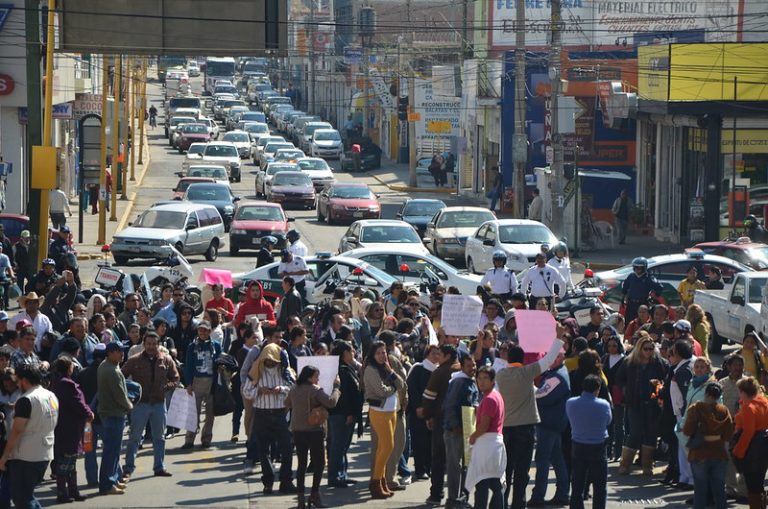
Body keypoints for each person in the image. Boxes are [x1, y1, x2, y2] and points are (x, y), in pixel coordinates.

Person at [495, 334, 564, 509]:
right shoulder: (527, 372)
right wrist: (558, 337)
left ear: (508, 358)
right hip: (525, 428)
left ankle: (502, 502)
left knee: (506, 469)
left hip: (506, 428)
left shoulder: (500, 375)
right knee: (522, 470)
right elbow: (549, 359)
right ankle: (519, 503)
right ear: (523, 358)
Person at [0, 364, 59, 508]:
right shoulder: (50, 395)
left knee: (21, 498)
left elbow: (17, 431)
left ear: (24, 380)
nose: (16, 384)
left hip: (26, 456)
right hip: (45, 452)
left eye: (17, 380)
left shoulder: (26, 399)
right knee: (26, 496)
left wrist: (5, 456)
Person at [122, 332, 179, 478]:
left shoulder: (166, 360)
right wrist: (130, 394)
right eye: (149, 344)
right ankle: (128, 468)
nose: (151, 347)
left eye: (154, 344)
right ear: (144, 344)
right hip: (140, 405)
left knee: (159, 437)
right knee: (135, 437)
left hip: (159, 404)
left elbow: (176, 378)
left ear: (158, 345)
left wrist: (167, 386)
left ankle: (159, 467)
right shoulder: (134, 360)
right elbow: (121, 377)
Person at [285, 365, 341, 509]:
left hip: (298, 430)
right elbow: (331, 402)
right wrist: (336, 387)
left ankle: (300, 498)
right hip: (314, 431)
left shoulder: (293, 388)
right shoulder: (315, 390)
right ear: (310, 377)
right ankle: (315, 494)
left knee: (301, 465)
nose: (318, 379)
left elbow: (286, 403)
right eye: (316, 376)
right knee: (320, 463)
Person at [616, 334, 669, 475]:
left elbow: (667, 377)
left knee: (651, 434)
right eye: (645, 349)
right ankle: (625, 464)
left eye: (651, 349)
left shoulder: (659, 363)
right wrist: (626, 390)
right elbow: (619, 378)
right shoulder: (629, 362)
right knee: (635, 433)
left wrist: (659, 387)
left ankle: (647, 465)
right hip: (634, 402)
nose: (648, 351)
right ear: (639, 348)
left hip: (653, 403)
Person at [247, 342, 296, 494]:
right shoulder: (256, 371)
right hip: (262, 413)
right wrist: (259, 391)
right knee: (263, 450)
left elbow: (294, 388)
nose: (269, 361)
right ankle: (268, 481)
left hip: (280, 412)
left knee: (287, 448)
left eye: (272, 359)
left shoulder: (284, 371)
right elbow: (246, 391)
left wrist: (280, 389)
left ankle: (286, 480)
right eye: (266, 358)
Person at [363, 341, 405, 500]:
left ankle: (381, 481)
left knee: (385, 447)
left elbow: (401, 383)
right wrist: (393, 387)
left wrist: (390, 371)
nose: (382, 356)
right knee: (387, 446)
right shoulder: (370, 370)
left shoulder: (385, 368)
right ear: (373, 355)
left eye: (384, 353)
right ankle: (375, 482)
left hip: (391, 411)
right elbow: (382, 391)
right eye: (378, 353)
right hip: (379, 412)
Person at [421, 343, 461, 506]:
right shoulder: (464, 371)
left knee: (439, 458)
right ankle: (459, 495)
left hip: (442, 419)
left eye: (441, 354)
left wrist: (428, 415)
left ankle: (436, 494)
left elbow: (428, 398)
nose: (438, 358)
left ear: (447, 356)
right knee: (459, 460)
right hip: (463, 420)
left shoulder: (440, 372)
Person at [529, 351, 570, 507]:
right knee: (556, 458)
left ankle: (538, 496)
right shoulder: (556, 373)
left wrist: (529, 387)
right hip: (553, 422)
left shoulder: (556, 376)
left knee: (542, 460)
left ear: (560, 358)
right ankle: (562, 493)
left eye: (552, 357)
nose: (548, 360)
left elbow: (541, 396)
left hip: (549, 423)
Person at [683, 381, 733, 509]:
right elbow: (728, 435)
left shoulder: (695, 408)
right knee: (719, 489)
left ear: (705, 393)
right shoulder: (724, 410)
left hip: (700, 453)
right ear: (719, 395)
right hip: (719, 452)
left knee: (700, 490)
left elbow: (687, 430)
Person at [566, 374, 613, 509]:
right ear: (597, 389)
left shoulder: (570, 403)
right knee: (600, 486)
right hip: (598, 446)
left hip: (578, 445)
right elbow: (608, 421)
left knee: (577, 484)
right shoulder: (603, 405)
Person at [50, 357, 93, 503]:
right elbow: (78, 403)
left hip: (61, 426)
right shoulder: (68, 385)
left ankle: (73, 491)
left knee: (69, 460)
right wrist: (89, 413)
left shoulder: (55, 383)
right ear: (68, 368)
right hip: (70, 427)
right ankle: (63, 493)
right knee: (67, 460)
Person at [465, 366, 506, 509]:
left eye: (485, 378)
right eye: (479, 378)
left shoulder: (489, 398)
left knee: (482, 483)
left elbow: (484, 425)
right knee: (495, 484)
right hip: (494, 444)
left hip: (487, 444)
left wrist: (473, 437)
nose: (481, 382)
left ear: (493, 380)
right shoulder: (495, 395)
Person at [443, 355, 479, 509]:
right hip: (455, 431)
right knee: (454, 466)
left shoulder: (471, 382)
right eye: (469, 366)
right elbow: (450, 406)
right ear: (462, 367)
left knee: (466, 465)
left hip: (467, 429)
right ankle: (452, 500)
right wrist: (455, 425)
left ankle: (461, 498)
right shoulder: (459, 382)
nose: (473, 368)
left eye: (474, 365)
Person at [97, 342, 133, 495]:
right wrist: (130, 406)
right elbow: (120, 395)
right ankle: (107, 484)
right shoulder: (112, 370)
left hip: (109, 413)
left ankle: (113, 479)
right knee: (111, 452)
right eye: (119, 351)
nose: (122, 354)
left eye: (122, 351)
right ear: (110, 353)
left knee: (112, 451)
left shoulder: (106, 366)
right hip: (113, 414)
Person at [328, 341, 364, 488]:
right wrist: (349, 413)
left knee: (344, 446)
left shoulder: (348, 368)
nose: (354, 353)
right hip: (341, 414)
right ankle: (334, 476)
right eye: (351, 351)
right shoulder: (341, 370)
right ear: (344, 354)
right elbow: (344, 395)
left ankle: (343, 474)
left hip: (349, 413)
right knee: (338, 445)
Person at [182, 321, 222, 449]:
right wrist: (188, 383)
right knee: (193, 412)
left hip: (211, 381)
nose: (202, 333)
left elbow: (220, 362)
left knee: (210, 413)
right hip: (197, 381)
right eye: (200, 330)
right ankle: (189, 439)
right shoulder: (192, 346)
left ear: (210, 331)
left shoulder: (215, 346)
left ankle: (206, 438)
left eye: (205, 330)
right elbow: (188, 366)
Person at [731, 377, 768, 509]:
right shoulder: (763, 402)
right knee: (759, 484)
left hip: (752, 449)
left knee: (752, 486)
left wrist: (738, 452)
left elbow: (748, 433)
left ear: (743, 392)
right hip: (764, 445)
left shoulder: (749, 407)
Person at [620, 257, 663, 323]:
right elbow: (625, 286)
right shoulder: (631, 276)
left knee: (641, 322)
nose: (637, 269)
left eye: (639, 268)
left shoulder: (648, 278)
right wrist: (622, 298)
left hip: (642, 304)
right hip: (631, 303)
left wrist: (654, 297)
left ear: (644, 268)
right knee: (628, 322)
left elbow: (659, 287)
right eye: (635, 267)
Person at [13, 230, 32, 295]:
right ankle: (21, 301)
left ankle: (28, 297)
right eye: (26, 237)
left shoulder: (32, 245)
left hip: (29, 268)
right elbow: (13, 257)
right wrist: (15, 264)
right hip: (20, 268)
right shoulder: (16, 246)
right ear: (21, 237)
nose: (27, 239)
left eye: (28, 237)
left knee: (31, 283)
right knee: (20, 285)